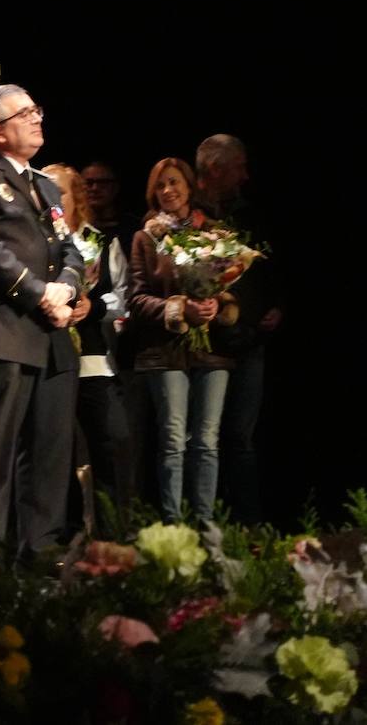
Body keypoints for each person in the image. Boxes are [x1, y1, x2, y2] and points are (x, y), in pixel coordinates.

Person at [0, 85, 85, 558]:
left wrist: (66, 287)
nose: (36, 118)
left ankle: (40, 548)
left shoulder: (46, 186)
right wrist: (39, 293)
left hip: (51, 335)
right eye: (24, 113)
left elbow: (70, 248)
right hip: (0, 330)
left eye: (36, 110)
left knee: (49, 449)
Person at [127, 157, 233, 523]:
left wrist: (216, 305)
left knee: (206, 441)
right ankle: (174, 526)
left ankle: (205, 526)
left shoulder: (216, 235)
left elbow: (233, 288)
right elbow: (137, 299)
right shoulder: (146, 237)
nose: (168, 190)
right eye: (160, 185)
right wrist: (179, 309)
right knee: (173, 441)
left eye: (174, 183)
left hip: (212, 354)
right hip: (164, 352)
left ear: (189, 186)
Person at [40, 163, 134, 533]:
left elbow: (124, 297)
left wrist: (91, 307)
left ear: (75, 197)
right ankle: (62, 532)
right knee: (53, 448)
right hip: (48, 355)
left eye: (59, 192)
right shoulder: (36, 240)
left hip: (93, 357)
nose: (52, 200)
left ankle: (109, 530)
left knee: (109, 441)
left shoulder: (101, 243)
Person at [196, 134, 278, 524]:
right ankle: (204, 522)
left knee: (240, 440)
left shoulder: (251, 214)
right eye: (239, 167)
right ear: (215, 169)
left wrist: (278, 306)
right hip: (203, 347)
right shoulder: (188, 214)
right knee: (201, 440)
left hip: (249, 342)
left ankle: (248, 527)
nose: (245, 176)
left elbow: (272, 269)